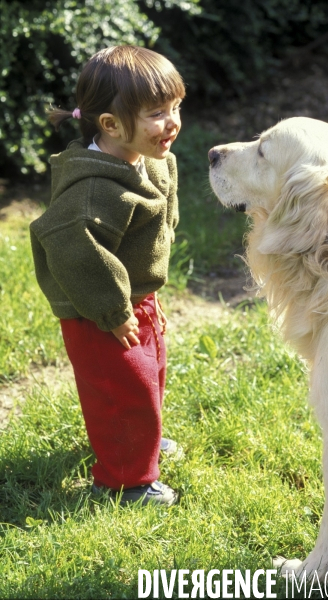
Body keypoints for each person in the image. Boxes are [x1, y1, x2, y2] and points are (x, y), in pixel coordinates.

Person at [30, 45, 185, 506]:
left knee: (150, 372)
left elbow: (164, 208)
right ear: (111, 125)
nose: (173, 121)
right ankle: (124, 481)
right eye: (157, 112)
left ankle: (143, 442)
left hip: (134, 294)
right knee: (122, 388)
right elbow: (71, 245)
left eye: (176, 107)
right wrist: (112, 311)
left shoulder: (152, 158)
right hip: (95, 306)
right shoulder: (95, 189)